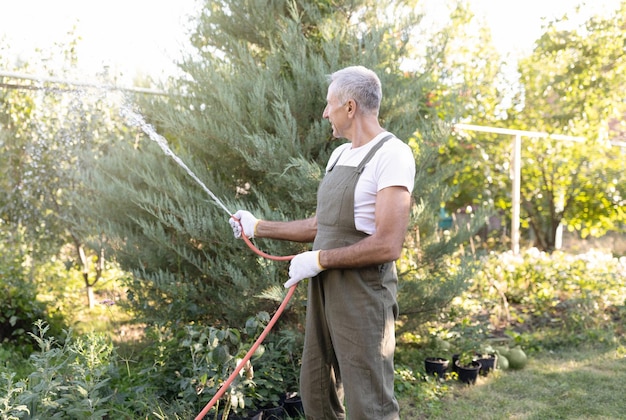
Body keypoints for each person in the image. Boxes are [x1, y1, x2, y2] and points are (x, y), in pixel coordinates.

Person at [230, 65, 415, 419]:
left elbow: (388, 245)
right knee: (315, 389)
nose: (324, 113)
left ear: (349, 107)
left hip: (363, 294)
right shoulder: (339, 155)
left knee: (368, 401)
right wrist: (258, 227)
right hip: (325, 290)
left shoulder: (393, 155)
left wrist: (319, 260)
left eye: (329, 105)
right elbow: (320, 224)